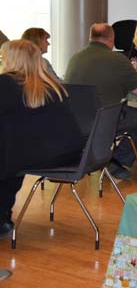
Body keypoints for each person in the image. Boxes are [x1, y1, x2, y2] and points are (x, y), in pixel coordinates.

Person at [0, 40, 84, 238]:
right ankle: (3, 216)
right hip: (68, 152)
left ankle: (2, 217)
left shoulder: (6, 83)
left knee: (7, 154)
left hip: (39, 154)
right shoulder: (50, 83)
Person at [64, 23, 137, 180]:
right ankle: (116, 161)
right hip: (103, 120)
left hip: (75, 121)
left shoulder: (75, 58)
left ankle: (101, 158)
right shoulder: (117, 59)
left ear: (90, 38)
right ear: (112, 39)